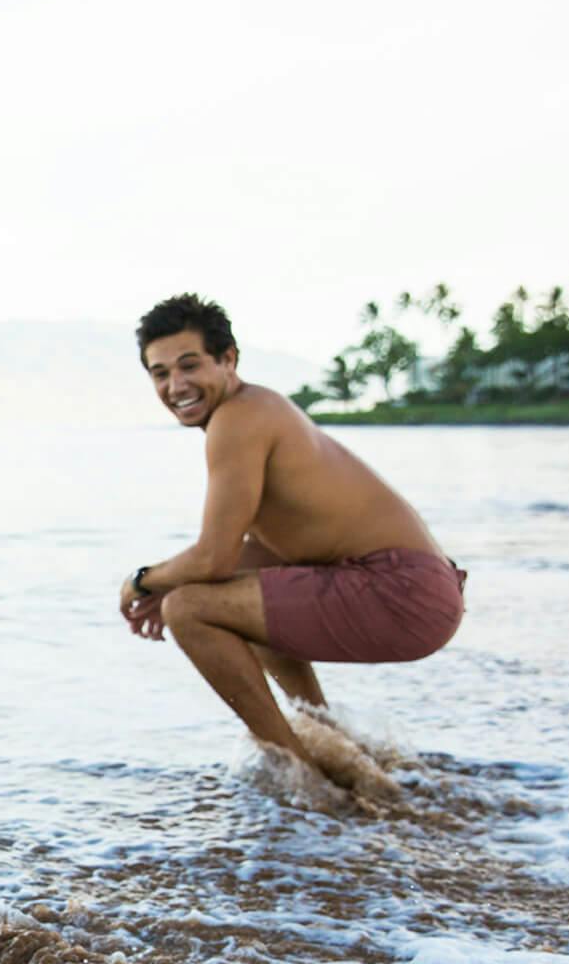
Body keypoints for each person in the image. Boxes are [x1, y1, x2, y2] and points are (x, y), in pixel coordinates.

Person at [118, 294, 465, 785]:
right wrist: (172, 582)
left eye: (189, 365)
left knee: (189, 610)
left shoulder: (239, 419)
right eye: (160, 373)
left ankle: (302, 774)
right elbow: (246, 559)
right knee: (217, 597)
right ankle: (335, 745)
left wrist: (143, 582)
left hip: (401, 591)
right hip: (421, 590)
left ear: (228, 359)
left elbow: (212, 559)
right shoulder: (256, 410)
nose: (176, 385)